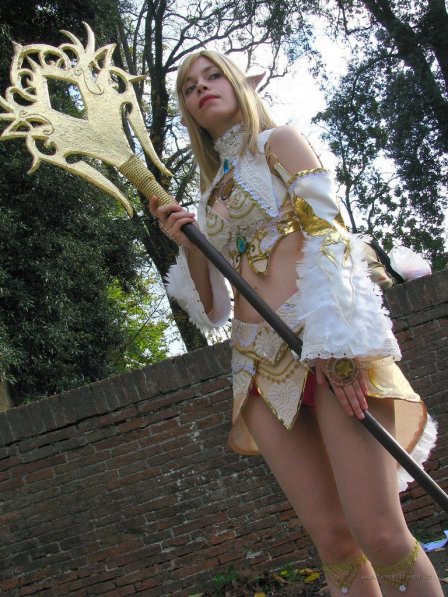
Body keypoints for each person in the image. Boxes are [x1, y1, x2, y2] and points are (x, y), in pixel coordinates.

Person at [149, 50, 443, 596]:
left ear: (240, 83)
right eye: (189, 87)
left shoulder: (279, 142)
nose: (202, 88)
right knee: (334, 541)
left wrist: (337, 343)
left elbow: (331, 236)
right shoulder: (209, 197)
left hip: (320, 341)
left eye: (213, 75)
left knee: (378, 531)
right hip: (257, 368)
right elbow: (212, 311)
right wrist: (187, 240)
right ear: (187, 110)